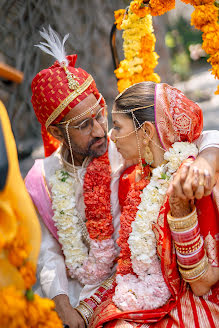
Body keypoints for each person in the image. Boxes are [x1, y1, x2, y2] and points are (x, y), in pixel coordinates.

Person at [25, 28, 219, 328]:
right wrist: (64, 306)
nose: (102, 131)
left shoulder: (124, 147)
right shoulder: (41, 179)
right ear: (55, 132)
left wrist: (207, 160)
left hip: (145, 276)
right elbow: (47, 252)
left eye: (101, 114)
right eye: (84, 125)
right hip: (80, 290)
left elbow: (185, 134)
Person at [84, 81, 219, 328]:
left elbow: (202, 283)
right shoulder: (140, 176)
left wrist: (180, 213)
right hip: (156, 294)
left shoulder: (190, 178)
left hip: (193, 302)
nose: (111, 137)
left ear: (146, 132)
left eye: (117, 127)